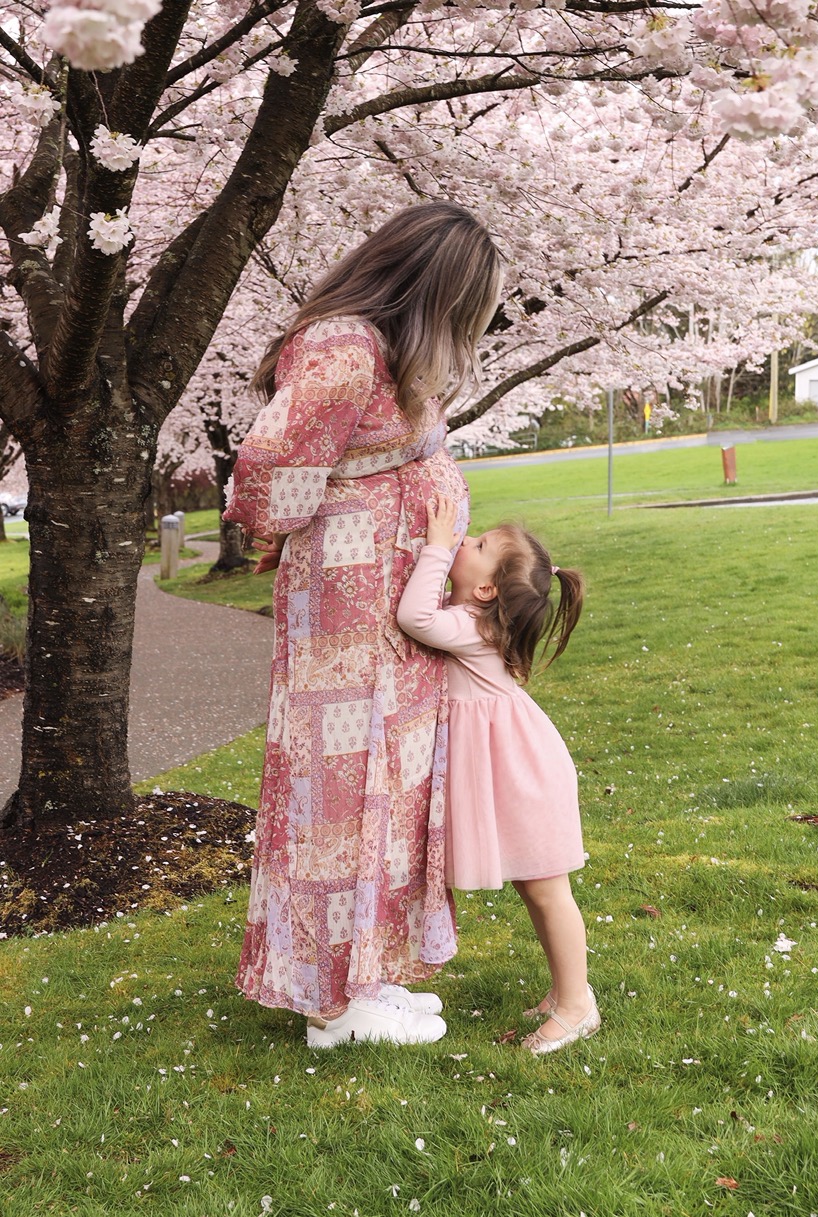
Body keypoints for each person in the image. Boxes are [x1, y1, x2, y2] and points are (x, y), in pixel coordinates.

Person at [223, 203, 503, 1048]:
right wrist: (302, 533)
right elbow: (267, 476)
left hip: (386, 605)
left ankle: (366, 971)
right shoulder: (346, 348)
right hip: (348, 610)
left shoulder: (386, 349)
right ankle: (330, 1004)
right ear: (430, 286)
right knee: (336, 791)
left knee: (389, 779)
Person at [396, 495, 600, 1054]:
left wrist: (437, 547)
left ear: (486, 590)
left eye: (478, 545)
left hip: (522, 772)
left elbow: (412, 616)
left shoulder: (468, 625)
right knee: (537, 890)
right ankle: (566, 990)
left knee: (547, 889)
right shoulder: (473, 620)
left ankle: (578, 1006)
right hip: (515, 766)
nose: (465, 540)